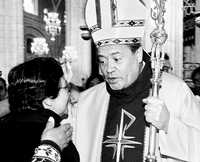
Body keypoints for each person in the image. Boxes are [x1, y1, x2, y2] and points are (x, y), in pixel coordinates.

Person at [73, 0, 200, 162]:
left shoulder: (174, 91)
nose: (108, 69)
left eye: (117, 59)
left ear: (138, 54)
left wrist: (169, 125)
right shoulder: (89, 101)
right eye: (102, 61)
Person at [0, 57, 79, 162]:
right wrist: (51, 148)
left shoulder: (7, 126)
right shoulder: (54, 136)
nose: (70, 94)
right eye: (66, 88)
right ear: (48, 100)